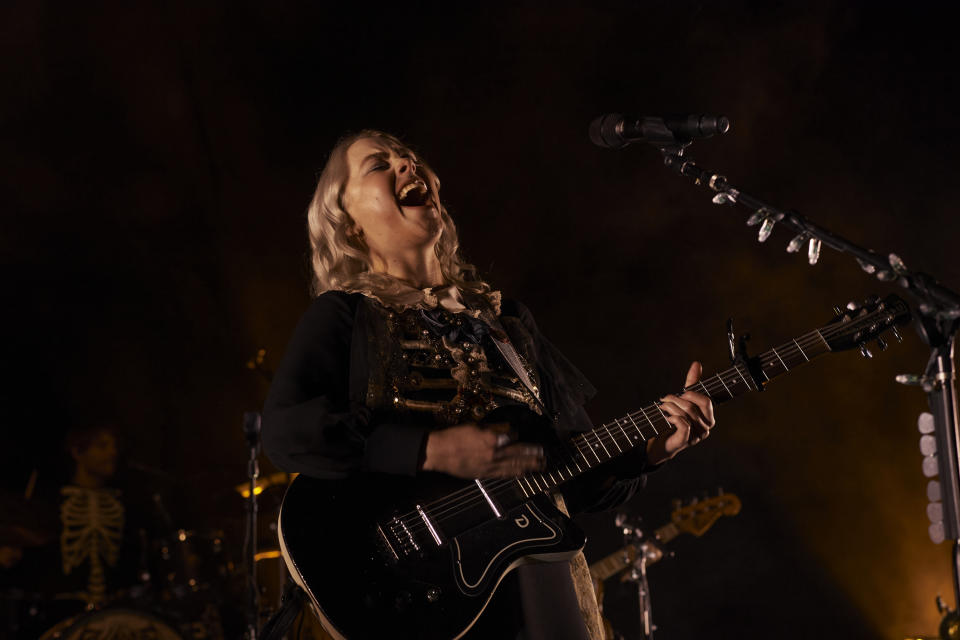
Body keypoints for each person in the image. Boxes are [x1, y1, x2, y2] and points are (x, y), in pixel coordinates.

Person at [261, 130, 715, 640]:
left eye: (411, 158)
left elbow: (572, 479)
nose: (408, 166)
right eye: (379, 165)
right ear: (347, 221)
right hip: (413, 591)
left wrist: (653, 449)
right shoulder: (345, 316)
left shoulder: (508, 322)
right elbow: (285, 433)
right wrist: (427, 450)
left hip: (540, 588)